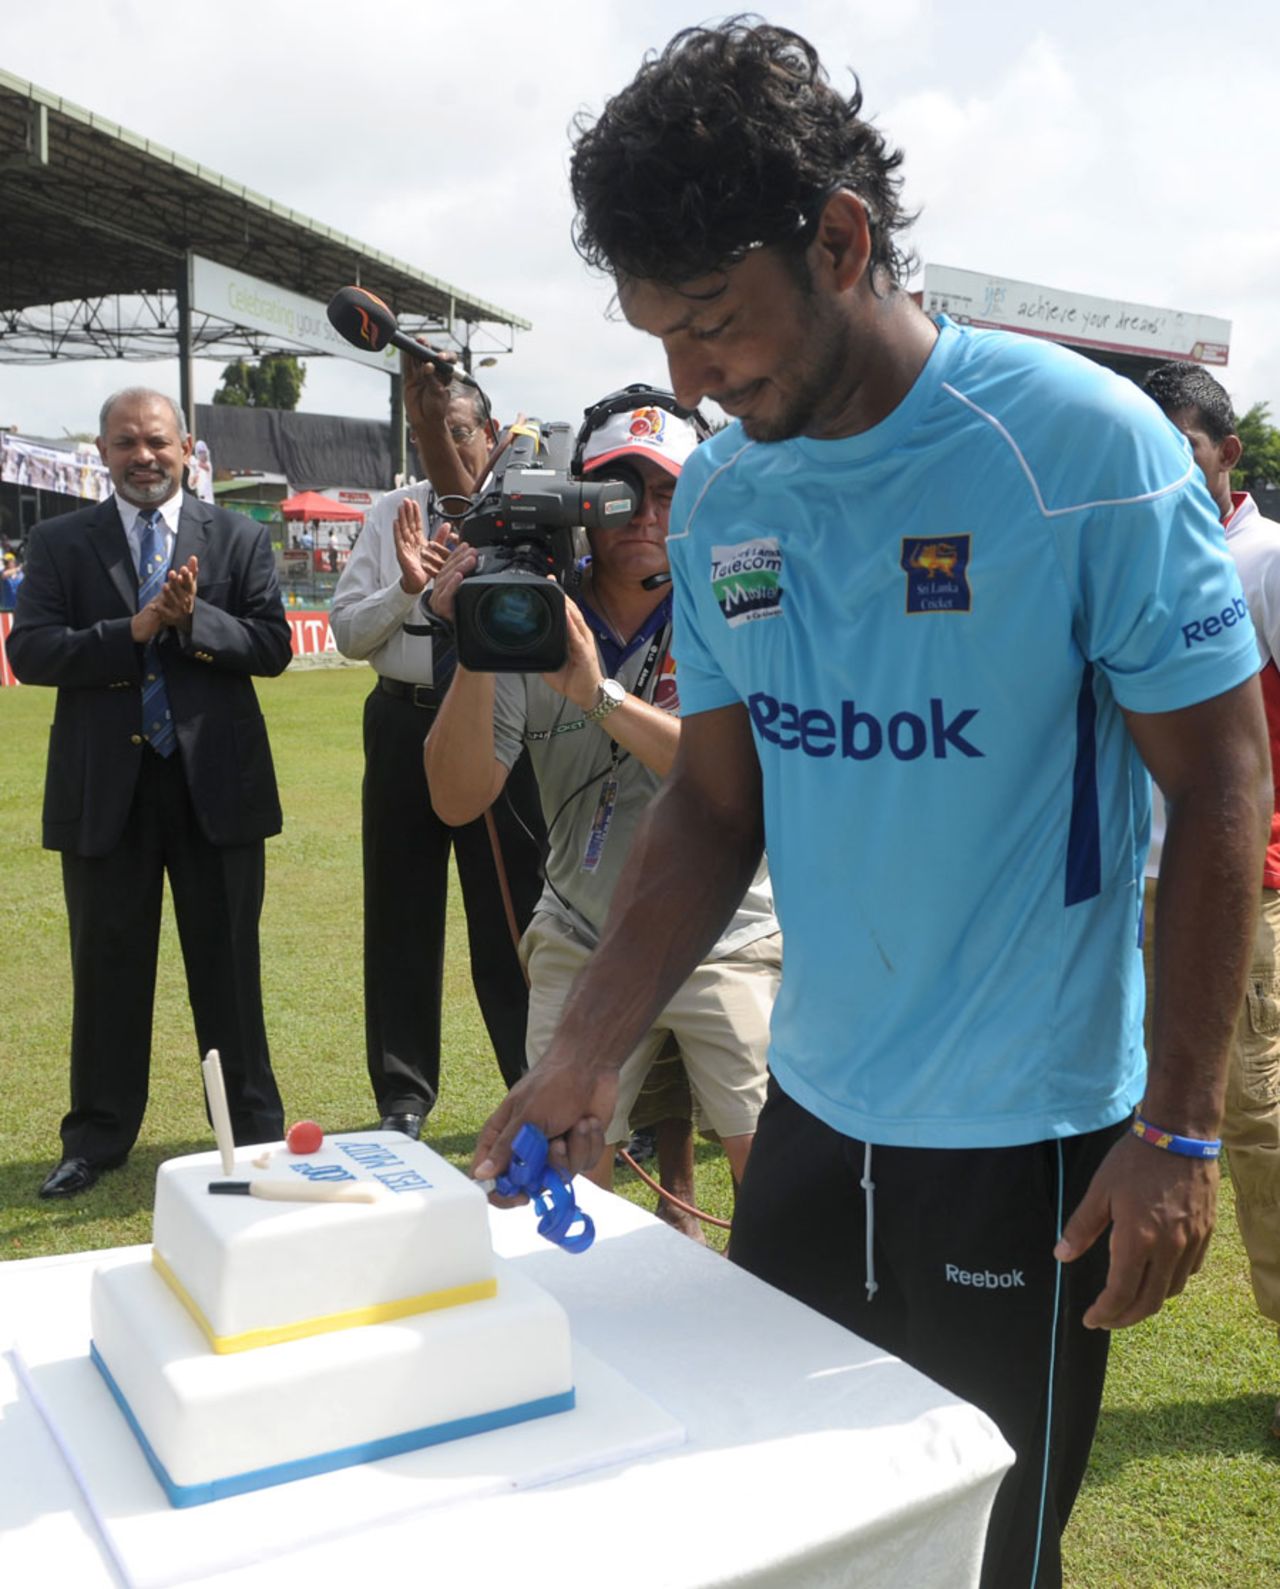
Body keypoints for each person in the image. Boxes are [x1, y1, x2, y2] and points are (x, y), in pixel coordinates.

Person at [468, 23, 1272, 1589]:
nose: (689, 378)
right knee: (788, 1538)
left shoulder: (1080, 450)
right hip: (815, 1124)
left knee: (974, 1555)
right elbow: (714, 799)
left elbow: (1225, 783)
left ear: (842, 240)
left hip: (1033, 1141)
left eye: (711, 322)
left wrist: (1180, 1123)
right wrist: (581, 1052)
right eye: (661, 333)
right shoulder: (732, 497)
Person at [426, 387, 778, 1206]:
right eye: (619, 486)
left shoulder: (730, 600)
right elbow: (455, 798)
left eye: (669, 490)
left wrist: (599, 696)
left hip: (729, 927)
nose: (644, 513)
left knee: (770, 1170)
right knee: (560, 1178)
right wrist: (481, 636)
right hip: (583, 928)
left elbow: (740, 776)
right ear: (578, 496)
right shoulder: (532, 604)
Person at [9, 388, 291, 1198]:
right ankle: (94, 1139)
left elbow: (272, 646)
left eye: (157, 441)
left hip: (217, 793)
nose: (144, 455)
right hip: (107, 794)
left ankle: (254, 1136)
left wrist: (193, 620)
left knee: (230, 971)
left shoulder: (236, 537)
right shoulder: (60, 542)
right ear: (101, 450)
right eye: (127, 442)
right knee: (105, 972)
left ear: (187, 446)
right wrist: (131, 632)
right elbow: (30, 651)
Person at [330, 354, 546, 1140]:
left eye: (460, 431)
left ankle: (535, 1081)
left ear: (489, 435)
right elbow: (350, 632)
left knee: (516, 915)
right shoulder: (391, 511)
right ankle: (403, 1100)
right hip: (401, 719)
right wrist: (407, 590)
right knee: (400, 914)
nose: (448, 446)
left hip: (502, 719)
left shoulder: (525, 510)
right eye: (434, 432)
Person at [1143, 360, 1280, 1438]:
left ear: (1225, 454)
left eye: (1180, 446)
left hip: (1232, 891)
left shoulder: (1264, 558)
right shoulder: (1130, 546)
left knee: (1255, 1129)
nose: (1159, 466)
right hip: (1111, 885)